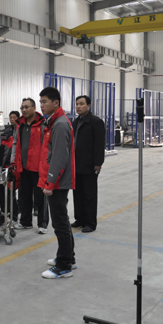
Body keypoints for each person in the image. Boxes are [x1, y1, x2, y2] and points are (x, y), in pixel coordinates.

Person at [38, 86, 76, 279]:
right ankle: (69, 257)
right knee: (62, 221)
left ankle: (64, 266)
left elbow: (59, 157)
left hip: (58, 182)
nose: (41, 105)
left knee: (60, 223)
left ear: (56, 103)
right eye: (41, 102)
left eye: (44, 102)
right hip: (56, 180)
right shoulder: (54, 122)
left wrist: (50, 183)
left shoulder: (60, 124)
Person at [13, 98, 49, 234]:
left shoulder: (43, 124)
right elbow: (15, 144)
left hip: (38, 168)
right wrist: (13, 161)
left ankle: (42, 224)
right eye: (22, 107)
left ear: (34, 108)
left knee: (41, 197)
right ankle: (25, 222)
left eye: (27, 107)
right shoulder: (20, 125)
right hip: (23, 167)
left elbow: (47, 145)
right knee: (24, 196)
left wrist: (46, 164)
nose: (24, 110)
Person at [71, 95, 105, 233]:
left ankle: (90, 223)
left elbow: (99, 144)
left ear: (89, 106)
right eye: (77, 104)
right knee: (77, 193)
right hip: (76, 164)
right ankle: (80, 219)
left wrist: (98, 163)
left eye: (81, 104)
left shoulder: (96, 122)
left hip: (89, 165)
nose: (78, 106)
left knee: (89, 195)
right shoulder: (76, 122)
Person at [0, 111, 19, 217]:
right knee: (0, 188)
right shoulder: (6, 132)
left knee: (11, 192)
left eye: (14, 117)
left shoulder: (20, 130)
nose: (12, 119)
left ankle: (14, 214)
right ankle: (4, 210)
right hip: (3, 166)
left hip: (13, 165)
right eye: (11, 117)